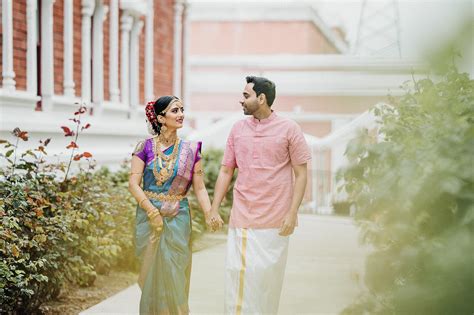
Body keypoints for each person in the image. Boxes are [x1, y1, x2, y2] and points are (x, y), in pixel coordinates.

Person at [211, 76, 311, 314]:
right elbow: (226, 170)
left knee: (268, 283)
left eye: (246, 96)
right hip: (244, 216)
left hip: (276, 221)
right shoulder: (237, 129)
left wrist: (292, 213)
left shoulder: (289, 129)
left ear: (262, 98)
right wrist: (214, 207)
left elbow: (302, 174)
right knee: (240, 279)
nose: (241, 100)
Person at [128, 96, 224, 315]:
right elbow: (133, 183)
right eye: (175, 111)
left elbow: (199, 188)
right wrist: (152, 212)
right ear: (161, 118)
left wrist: (210, 213)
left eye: (182, 109)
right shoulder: (144, 147)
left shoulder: (191, 151)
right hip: (148, 217)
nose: (181, 114)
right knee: (149, 275)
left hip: (178, 218)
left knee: (175, 273)